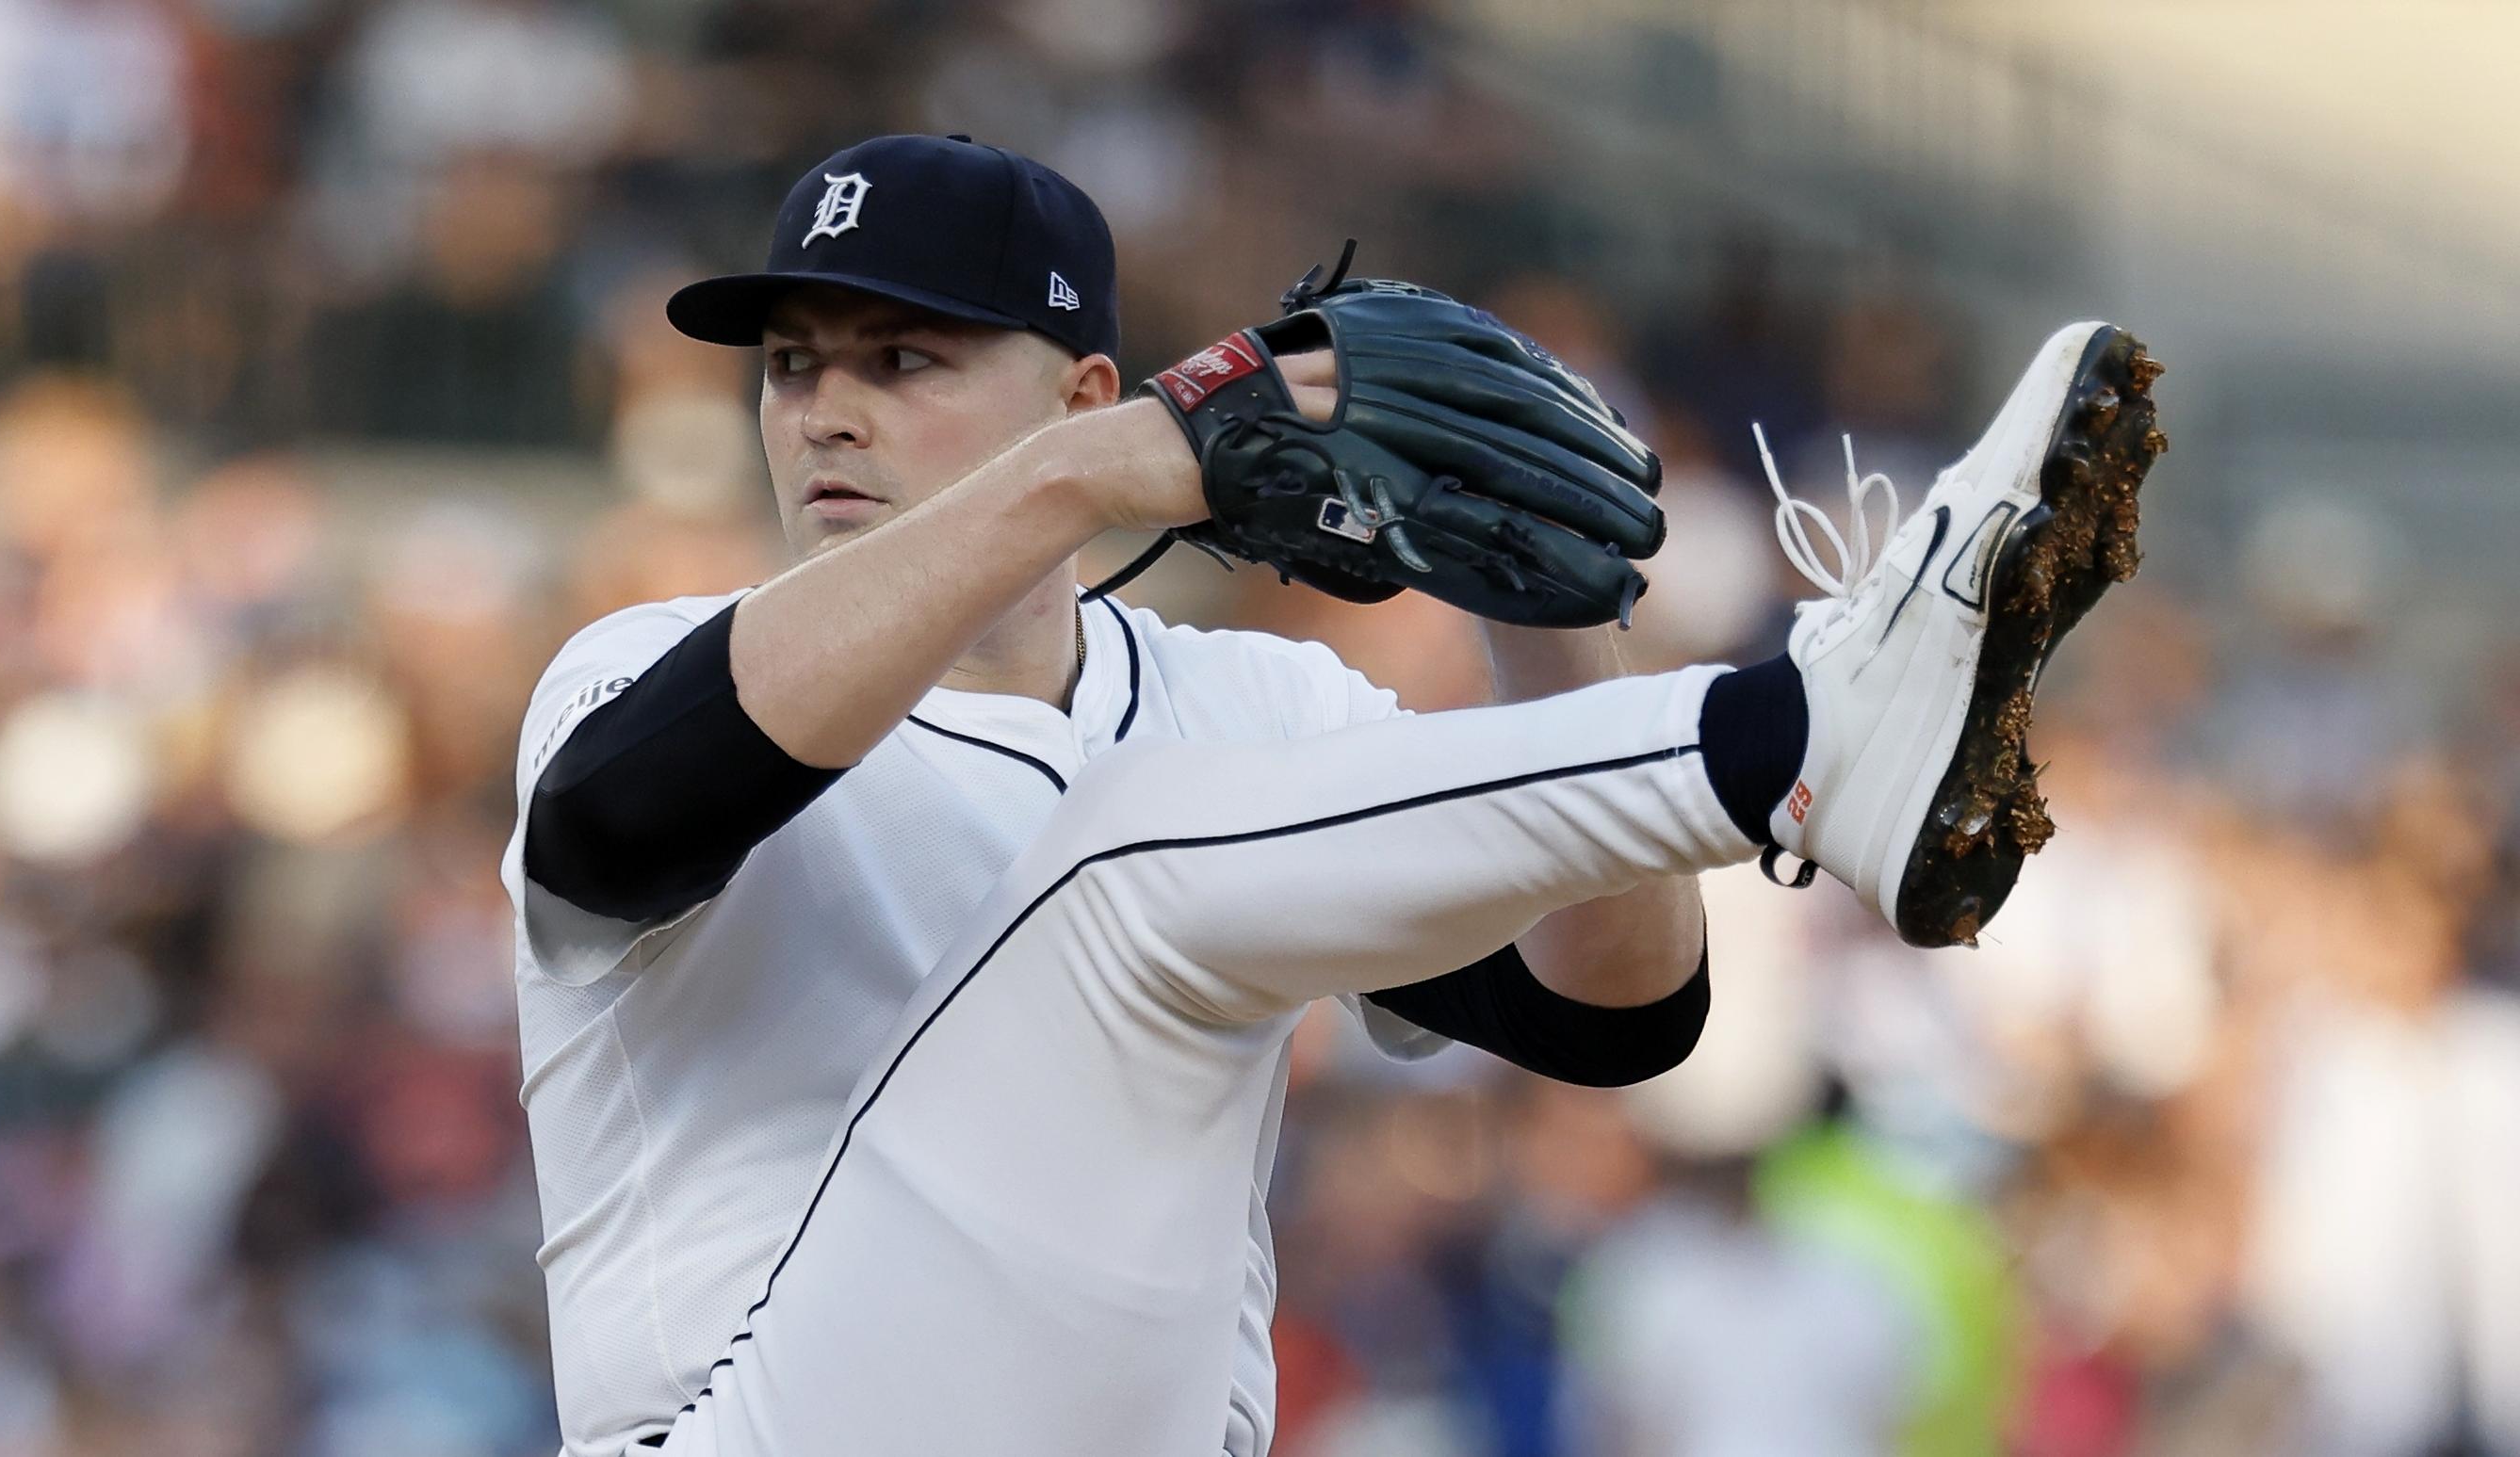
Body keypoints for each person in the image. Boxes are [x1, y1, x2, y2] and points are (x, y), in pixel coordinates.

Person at [502, 134, 2160, 1457]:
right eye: (790, 366)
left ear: (1080, 385)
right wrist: (1093, 478)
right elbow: (621, 823)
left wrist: (1550, 622)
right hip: (746, 1427)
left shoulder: (1247, 699)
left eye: (902, 356)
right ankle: (1812, 736)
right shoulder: (650, 666)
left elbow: (1612, 1016)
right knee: (1118, 876)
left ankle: (1807, 741)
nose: (825, 410)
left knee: (1164, 827)